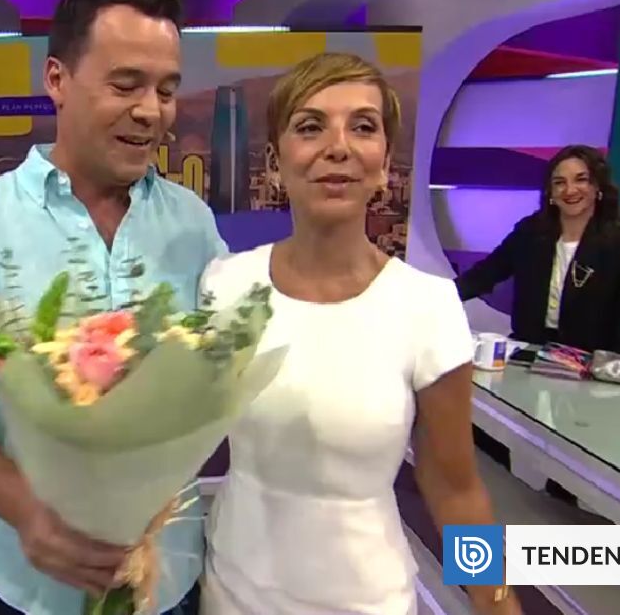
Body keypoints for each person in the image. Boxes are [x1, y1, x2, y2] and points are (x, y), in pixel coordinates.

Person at [0, 0, 226, 613]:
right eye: (126, 85)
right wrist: (28, 509)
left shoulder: (194, 225)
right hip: (25, 591)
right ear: (57, 79)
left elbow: (217, 368)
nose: (151, 111)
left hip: (170, 579)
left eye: (166, 90)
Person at [198, 53, 519, 615]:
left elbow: (457, 491)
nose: (338, 146)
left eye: (363, 126)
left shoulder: (427, 305)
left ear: (385, 163)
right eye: (310, 126)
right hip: (232, 593)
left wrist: (497, 602)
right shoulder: (225, 284)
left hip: (366, 600)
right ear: (275, 163)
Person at [455, 145, 620, 383]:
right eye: (559, 183)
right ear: (550, 193)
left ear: (597, 187)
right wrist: (437, 299)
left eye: (581, 180)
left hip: (594, 368)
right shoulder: (530, 233)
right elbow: (484, 275)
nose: (570, 190)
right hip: (530, 359)